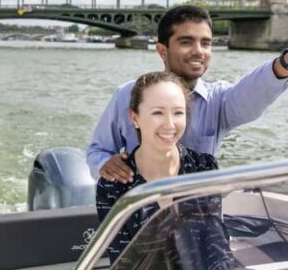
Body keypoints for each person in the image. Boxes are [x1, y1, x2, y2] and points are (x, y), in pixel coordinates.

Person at [87, 5, 288, 183]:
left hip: (196, 212)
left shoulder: (219, 101)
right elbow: (97, 151)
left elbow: (254, 91)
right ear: (162, 50)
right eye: (186, 42)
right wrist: (104, 165)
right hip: (137, 211)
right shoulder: (127, 95)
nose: (199, 51)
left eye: (205, 43)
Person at [96, 71, 236, 268]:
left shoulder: (204, 168)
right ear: (134, 118)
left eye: (178, 112)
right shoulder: (113, 185)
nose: (170, 125)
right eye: (157, 112)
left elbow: (216, 246)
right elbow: (124, 263)